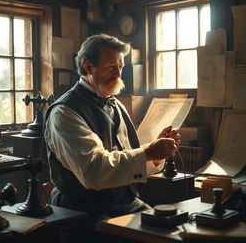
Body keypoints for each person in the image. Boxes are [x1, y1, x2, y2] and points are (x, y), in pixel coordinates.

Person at [44, 34, 180, 242]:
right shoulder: (65, 112)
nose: (118, 74)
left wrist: (156, 155)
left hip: (125, 203)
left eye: (121, 66)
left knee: (174, 233)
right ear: (89, 68)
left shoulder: (114, 104)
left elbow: (129, 156)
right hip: (84, 210)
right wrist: (147, 152)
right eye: (111, 67)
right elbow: (93, 170)